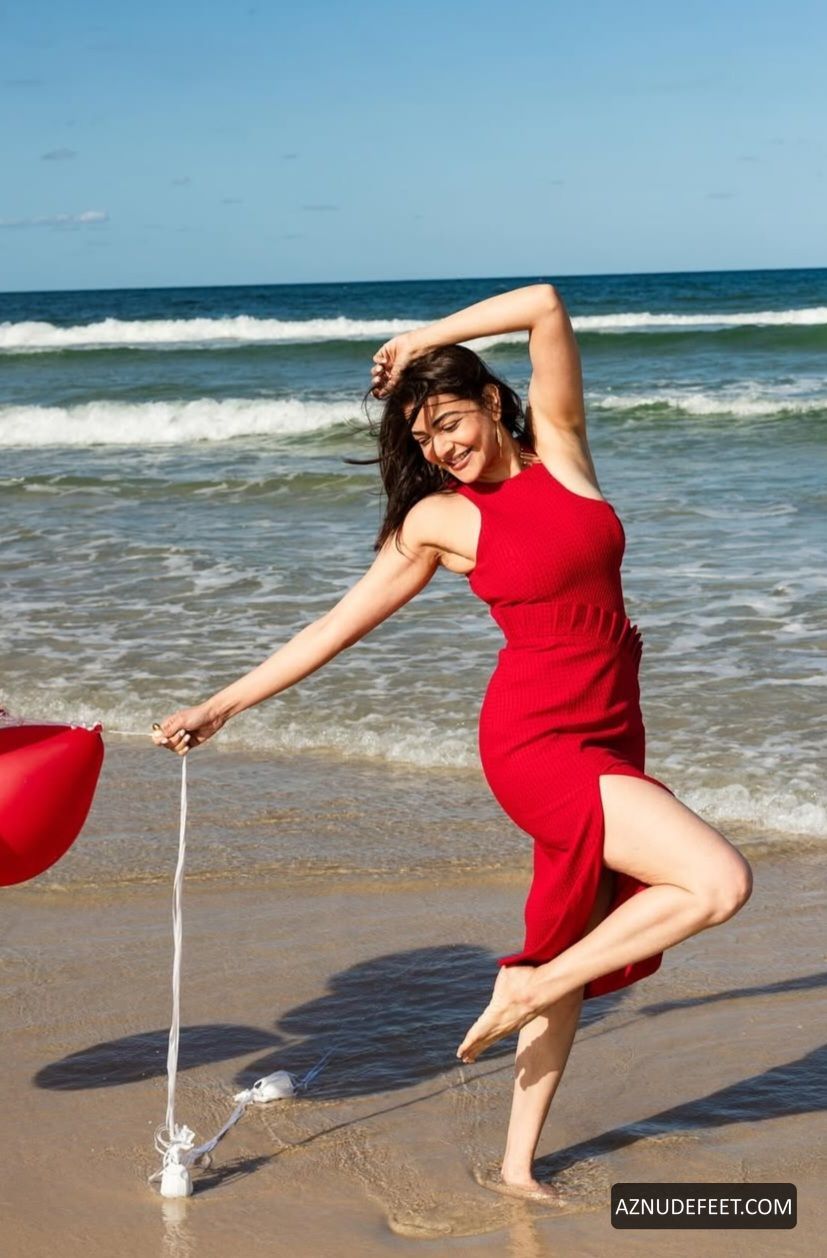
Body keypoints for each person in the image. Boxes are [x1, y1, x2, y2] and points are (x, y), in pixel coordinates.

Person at [153, 283, 753, 1202]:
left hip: (611, 729)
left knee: (572, 934)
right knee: (716, 882)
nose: (438, 446)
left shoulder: (562, 453)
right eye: (421, 437)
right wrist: (221, 705)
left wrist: (416, 338)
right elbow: (335, 627)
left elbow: (544, 305)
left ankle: (515, 1164)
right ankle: (524, 988)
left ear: (491, 401)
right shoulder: (437, 519)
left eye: (447, 421)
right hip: (536, 743)